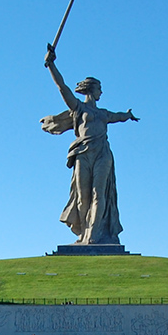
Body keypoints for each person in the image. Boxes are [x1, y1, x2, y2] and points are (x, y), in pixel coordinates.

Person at [43, 46, 138, 245]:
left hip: (102, 153)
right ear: (91, 89)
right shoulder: (78, 108)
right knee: (82, 198)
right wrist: (51, 64)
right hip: (82, 153)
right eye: (99, 88)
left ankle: (94, 235)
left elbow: (117, 117)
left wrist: (128, 115)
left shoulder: (103, 113)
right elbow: (62, 88)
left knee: (99, 193)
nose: (101, 92)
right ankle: (83, 234)